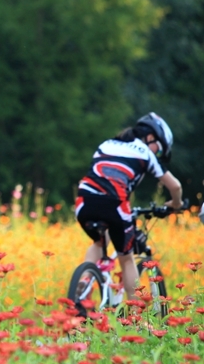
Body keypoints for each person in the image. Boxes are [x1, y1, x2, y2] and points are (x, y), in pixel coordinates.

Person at [75, 112, 182, 302]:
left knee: (100, 242)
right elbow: (175, 186)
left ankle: (84, 280)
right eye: (159, 150)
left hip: (84, 201)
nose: (157, 154)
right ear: (150, 138)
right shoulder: (145, 152)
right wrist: (175, 204)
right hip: (114, 204)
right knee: (127, 258)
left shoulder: (106, 144)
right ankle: (135, 313)